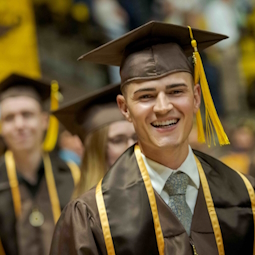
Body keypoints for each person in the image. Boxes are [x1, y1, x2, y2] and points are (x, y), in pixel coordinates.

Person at [50, 21, 255, 255]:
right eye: (146, 96)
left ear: (196, 97)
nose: (163, 107)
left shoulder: (245, 195)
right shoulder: (91, 217)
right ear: (124, 108)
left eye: (175, 91)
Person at [0, 74, 79, 255]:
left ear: (44, 120)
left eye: (27, 115)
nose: (19, 125)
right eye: (9, 118)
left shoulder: (73, 175)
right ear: (1, 127)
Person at [52, 83, 136, 197]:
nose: (132, 146)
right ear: (96, 149)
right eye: (118, 140)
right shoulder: (82, 211)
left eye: (136, 138)